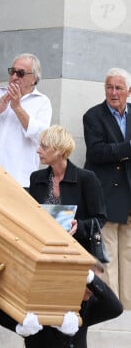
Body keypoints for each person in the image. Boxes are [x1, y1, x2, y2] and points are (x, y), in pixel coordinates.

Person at [83, 67, 131, 309]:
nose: (113, 93)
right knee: (108, 255)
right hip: (106, 196)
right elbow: (97, 152)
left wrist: (119, 151)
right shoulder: (93, 116)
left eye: (118, 88)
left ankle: (129, 312)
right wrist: (127, 148)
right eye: (109, 87)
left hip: (130, 196)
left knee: (129, 256)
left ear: (129, 91)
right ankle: (112, 309)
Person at [0, 53, 52, 188]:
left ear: (34, 79)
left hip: (19, 180)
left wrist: (17, 108)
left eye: (20, 73)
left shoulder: (42, 102)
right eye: (12, 72)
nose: (14, 77)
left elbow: (42, 138)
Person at [29, 125, 107, 253]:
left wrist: (79, 226)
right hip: (42, 249)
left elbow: (100, 218)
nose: (38, 150)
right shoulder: (36, 178)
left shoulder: (86, 178)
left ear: (59, 151)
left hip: (77, 250)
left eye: (44, 147)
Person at [24, 260, 123, 347]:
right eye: (88, 282)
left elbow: (116, 309)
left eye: (93, 283)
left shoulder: (88, 304)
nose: (91, 290)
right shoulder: (46, 300)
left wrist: (92, 280)